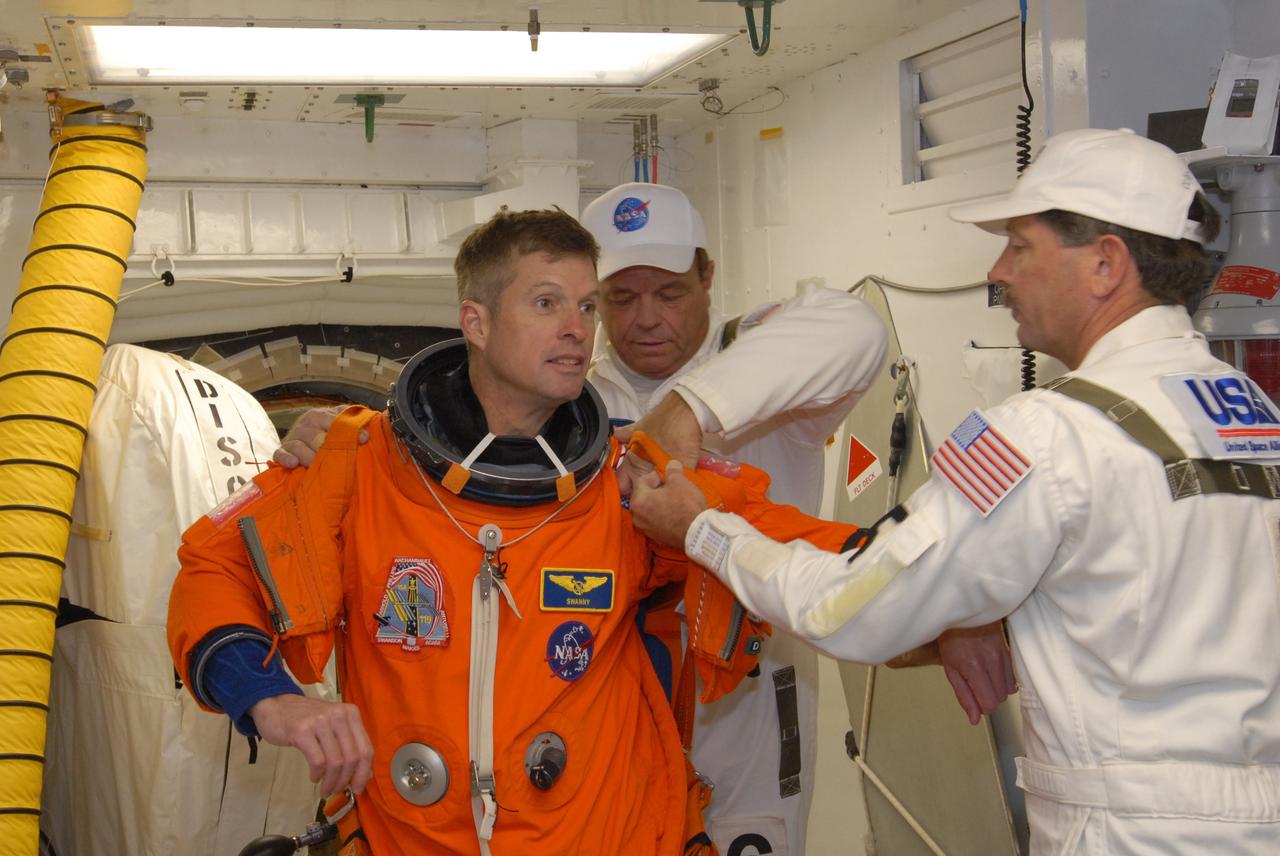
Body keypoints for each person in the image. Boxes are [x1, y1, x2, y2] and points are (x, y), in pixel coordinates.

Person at [630, 127, 1280, 853]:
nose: (998, 272)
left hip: (1133, 831)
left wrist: (704, 530)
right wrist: (985, 613)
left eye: (1021, 247)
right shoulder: (1251, 412)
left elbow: (848, 608)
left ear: (1105, 264)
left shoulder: (1042, 432)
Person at [166, 208, 842, 856]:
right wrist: (272, 700)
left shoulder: (630, 485)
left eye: (585, 306)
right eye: (547, 304)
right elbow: (216, 568)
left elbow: (807, 549)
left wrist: (938, 600)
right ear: (477, 323)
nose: (579, 328)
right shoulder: (359, 467)